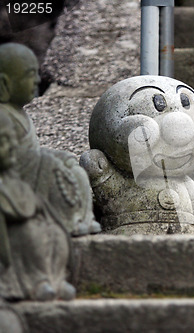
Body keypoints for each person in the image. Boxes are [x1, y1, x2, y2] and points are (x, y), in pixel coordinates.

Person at [0, 43, 100, 236]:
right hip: (13, 180)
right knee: (49, 164)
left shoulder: (20, 114)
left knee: (72, 164)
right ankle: (64, 219)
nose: (37, 80)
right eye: (30, 74)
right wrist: (39, 159)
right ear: (4, 84)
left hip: (29, 170)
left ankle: (82, 217)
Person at [0, 114, 75, 301]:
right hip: (17, 240)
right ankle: (37, 282)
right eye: (2, 142)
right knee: (29, 234)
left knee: (56, 234)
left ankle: (56, 279)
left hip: (38, 226)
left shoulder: (15, 179)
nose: (10, 148)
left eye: (12, 141)